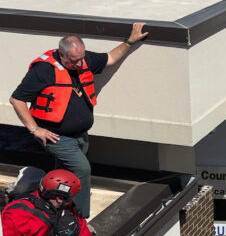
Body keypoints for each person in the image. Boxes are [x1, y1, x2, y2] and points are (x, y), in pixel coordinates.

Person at [9, 22, 148, 218]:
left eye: (81, 58)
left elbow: (110, 58)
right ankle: (80, 218)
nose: (80, 64)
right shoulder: (44, 70)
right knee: (82, 170)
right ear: (62, 55)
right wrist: (35, 129)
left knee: (63, 174)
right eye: (74, 61)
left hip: (80, 135)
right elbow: (17, 99)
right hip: (56, 136)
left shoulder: (83, 59)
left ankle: (55, 209)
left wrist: (129, 41)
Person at [1, 169, 107, 236]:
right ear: (43, 191)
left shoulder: (69, 209)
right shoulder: (19, 212)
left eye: (65, 197)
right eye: (54, 195)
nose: (59, 200)